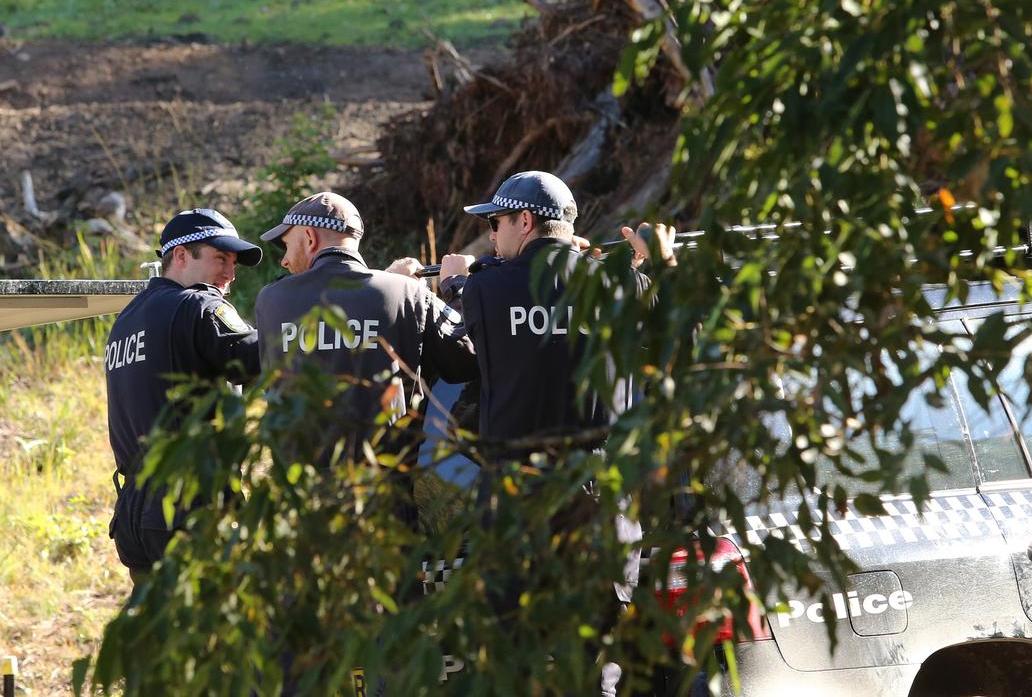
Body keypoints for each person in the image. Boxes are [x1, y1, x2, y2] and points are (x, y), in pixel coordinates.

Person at [442, 170, 675, 696]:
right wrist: (656, 261)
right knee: (599, 669)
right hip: (598, 494)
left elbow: (464, 302)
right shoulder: (616, 284)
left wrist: (453, 275)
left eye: (497, 223)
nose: (494, 236)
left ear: (524, 222)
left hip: (515, 497)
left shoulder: (483, 288)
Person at [253, 191, 479, 468]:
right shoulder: (406, 293)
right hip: (382, 492)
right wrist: (457, 287)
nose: (284, 261)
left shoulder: (271, 299)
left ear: (310, 238)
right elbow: (467, 357)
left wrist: (391, 285)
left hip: (301, 491)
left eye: (287, 247)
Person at [105, 208, 263, 583]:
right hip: (188, 505)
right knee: (216, 636)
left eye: (234, 263)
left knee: (160, 636)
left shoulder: (123, 323)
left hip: (134, 512)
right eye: (220, 259)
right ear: (180, 256)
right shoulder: (198, 305)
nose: (230, 274)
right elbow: (256, 357)